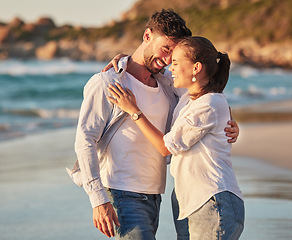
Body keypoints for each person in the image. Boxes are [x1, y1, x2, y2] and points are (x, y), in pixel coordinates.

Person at [67, 9, 239, 240]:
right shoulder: (108, 82)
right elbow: (85, 139)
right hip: (121, 191)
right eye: (166, 49)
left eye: (173, 55)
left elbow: (205, 94)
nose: (168, 60)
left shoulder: (168, 86)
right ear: (147, 36)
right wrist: (98, 199)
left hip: (155, 195)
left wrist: (229, 120)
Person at [107, 36, 244, 240]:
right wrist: (125, 61)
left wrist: (133, 111)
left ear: (196, 68)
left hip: (211, 201)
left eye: (177, 62)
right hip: (193, 203)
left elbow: (165, 147)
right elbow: (152, 70)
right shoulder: (190, 97)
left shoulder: (207, 104)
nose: (171, 67)